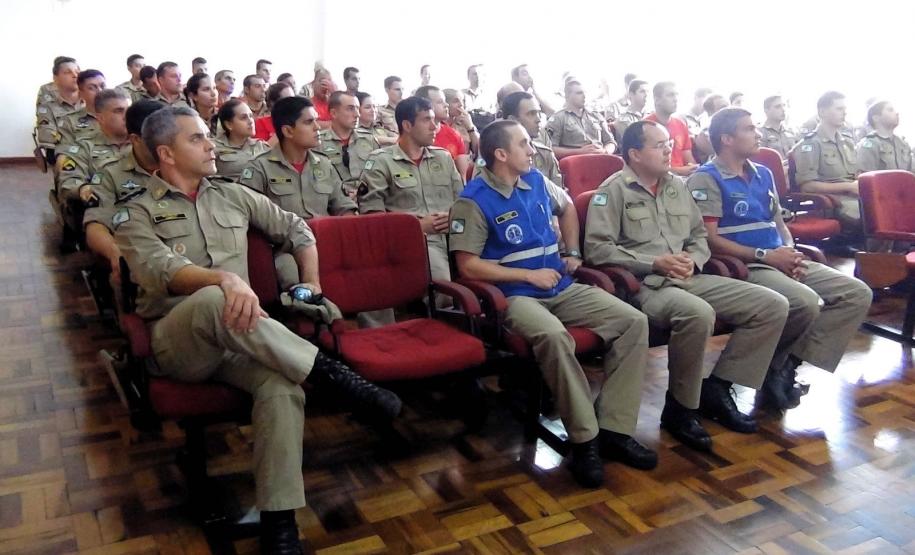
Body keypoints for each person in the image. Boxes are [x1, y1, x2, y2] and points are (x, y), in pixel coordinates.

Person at [115, 106, 401, 554]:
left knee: (282, 389)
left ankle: (279, 525)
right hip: (178, 341)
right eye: (196, 139)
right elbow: (160, 270)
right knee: (215, 296)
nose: (211, 145)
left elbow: (297, 229)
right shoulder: (134, 213)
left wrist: (312, 283)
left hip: (242, 338)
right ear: (166, 153)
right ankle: (332, 374)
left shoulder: (232, 195)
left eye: (208, 137)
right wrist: (225, 279)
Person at [450, 120, 654, 487]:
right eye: (525, 144)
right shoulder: (473, 200)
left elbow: (569, 209)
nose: (533, 150)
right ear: (501, 154)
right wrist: (526, 277)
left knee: (632, 321)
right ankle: (585, 440)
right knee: (555, 337)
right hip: (514, 296)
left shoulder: (538, 182)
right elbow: (467, 265)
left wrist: (573, 252)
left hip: (559, 285)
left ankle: (614, 429)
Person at [585, 120, 790, 447]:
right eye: (659, 145)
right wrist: (654, 262)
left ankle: (719, 386)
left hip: (689, 275)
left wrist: (692, 260)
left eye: (669, 143)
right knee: (697, 314)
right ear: (635, 154)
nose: (669, 149)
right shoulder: (612, 192)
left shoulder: (677, 186)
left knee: (772, 305)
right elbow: (597, 250)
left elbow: (698, 236)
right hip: (646, 285)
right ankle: (682, 408)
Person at [688, 108, 872, 408]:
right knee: (804, 301)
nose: (757, 133)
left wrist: (791, 251)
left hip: (779, 257)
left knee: (856, 293)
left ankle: (785, 367)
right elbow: (709, 239)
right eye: (749, 128)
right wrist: (768, 256)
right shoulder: (705, 179)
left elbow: (779, 224)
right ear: (727, 139)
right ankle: (727, 382)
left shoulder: (764, 173)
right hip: (746, 264)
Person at [358, 96, 463, 301]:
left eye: (435, 119)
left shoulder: (443, 158)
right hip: (416, 240)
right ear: (407, 125)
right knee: (444, 291)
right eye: (426, 120)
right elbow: (372, 217)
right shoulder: (381, 162)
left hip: (456, 234)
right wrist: (416, 228)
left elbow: (464, 203)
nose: (435, 127)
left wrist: (453, 218)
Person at [84, 99, 165, 282]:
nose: (167, 143)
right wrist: (114, 250)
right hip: (138, 255)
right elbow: (95, 226)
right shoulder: (110, 174)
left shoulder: (181, 165)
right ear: (136, 139)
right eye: (157, 137)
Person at [240, 96, 355, 225]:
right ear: (288, 131)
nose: (317, 127)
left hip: (325, 238)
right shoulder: (259, 167)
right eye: (308, 122)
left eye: (316, 120)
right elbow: (251, 218)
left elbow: (343, 206)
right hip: (284, 242)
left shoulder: (323, 164)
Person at [55, 89, 132, 235]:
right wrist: (83, 188)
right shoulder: (82, 148)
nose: (126, 116)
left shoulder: (141, 144)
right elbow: (68, 181)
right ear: (100, 118)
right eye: (119, 111)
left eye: (128, 110)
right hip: (108, 210)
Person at [789, 91, 861, 232]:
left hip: (855, 196)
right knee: (876, 215)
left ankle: (892, 251)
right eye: (839, 109)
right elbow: (807, 186)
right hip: (834, 202)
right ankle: (879, 252)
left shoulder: (848, 142)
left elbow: (856, 175)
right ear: (822, 112)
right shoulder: (810, 145)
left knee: (895, 209)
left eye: (845, 109)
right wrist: (848, 186)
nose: (844, 113)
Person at [318, 91, 380, 195]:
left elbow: (377, 173)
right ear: (333, 113)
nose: (357, 114)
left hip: (368, 198)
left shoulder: (369, 139)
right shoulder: (318, 143)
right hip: (335, 201)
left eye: (357, 108)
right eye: (350, 109)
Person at [501, 91, 562, 188]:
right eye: (531, 114)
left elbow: (560, 197)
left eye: (539, 113)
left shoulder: (545, 154)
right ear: (512, 120)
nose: (538, 119)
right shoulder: (496, 155)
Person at [545, 80, 617, 158]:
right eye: (579, 93)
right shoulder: (558, 118)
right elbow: (550, 148)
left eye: (584, 92)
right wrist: (579, 152)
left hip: (602, 159)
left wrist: (605, 151)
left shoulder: (596, 116)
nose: (584, 96)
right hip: (577, 163)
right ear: (567, 96)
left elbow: (611, 142)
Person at [415, 86, 472, 177]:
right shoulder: (412, 136)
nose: (446, 105)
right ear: (424, 105)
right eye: (440, 102)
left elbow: (462, 177)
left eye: (445, 101)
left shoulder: (454, 135)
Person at [645, 82, 698, 176]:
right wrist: (678, 171)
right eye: (670, 95)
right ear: (657, 100)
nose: (675, 99)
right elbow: (647, 165)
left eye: (676, 94)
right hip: (659, 178)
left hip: (683, 179)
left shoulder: (681, 124)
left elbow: (688, 158)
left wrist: (693, 169)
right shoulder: (645, 126)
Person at [35, 57, 82, 153]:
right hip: (60, 149)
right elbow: (46, 133)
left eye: (77, 72)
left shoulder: (90, 92)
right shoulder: (47, 94)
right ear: (55, 78)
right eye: (68, 72)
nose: (75, 75)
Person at [214, 99, 270, 180]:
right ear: (229, 124)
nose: (251, 121)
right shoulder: (213, 147)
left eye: (251, 116)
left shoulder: (262, 146)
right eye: (243, 118)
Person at [856, 100, 914, 172]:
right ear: (876, 118)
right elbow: (866, 178)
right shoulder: (869, 145)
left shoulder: (903, 144)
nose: (896, 113)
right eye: (890, 110)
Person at [56, 69, 106, 146]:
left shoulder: (122, 115)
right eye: (92, 88)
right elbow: (65, 153)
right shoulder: (69, 121)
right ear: (81, 93)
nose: (100, 90)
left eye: (103, 86)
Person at [443, 88, 479, 159]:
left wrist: (470, 128)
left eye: (462, 100)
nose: (461, 104)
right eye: (456, 101)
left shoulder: (465, 122)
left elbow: (479, 151)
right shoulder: (438, 125)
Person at [759, 95, 798, 159]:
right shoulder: (760, 133)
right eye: (778, 107)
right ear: (766, 111)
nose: (783, 109)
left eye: (784, 105)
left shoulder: (791, 131)